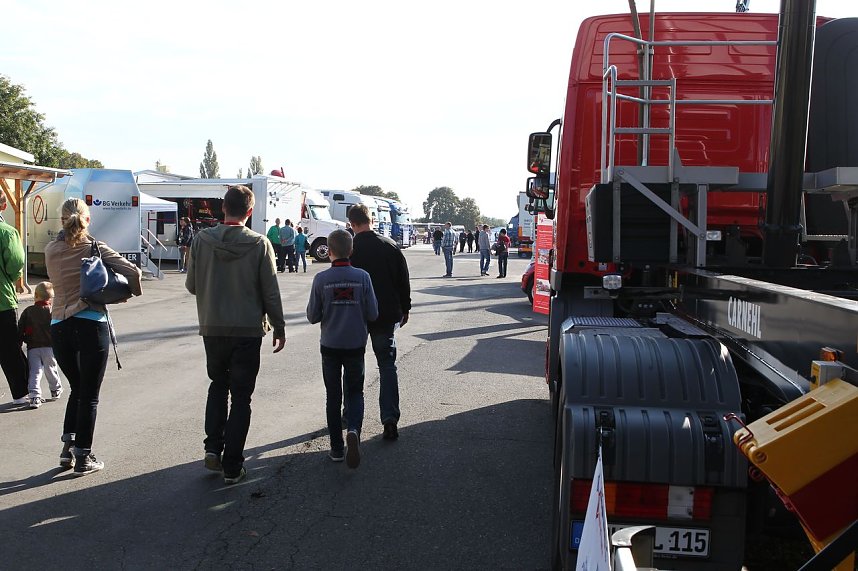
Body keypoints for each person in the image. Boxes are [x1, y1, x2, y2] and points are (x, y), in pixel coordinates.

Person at [186, 185, 286, 485]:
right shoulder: (259, 244)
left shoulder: (201, 240)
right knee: (241, 396)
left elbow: (191, 285)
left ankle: (213, 449)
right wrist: (279, 326)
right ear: (250, 211)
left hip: (212, 326)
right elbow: (270, 290)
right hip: (247, 329)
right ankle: (233, 465)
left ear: (222, 208)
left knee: (218, 385)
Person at [46, 197, 143, 476]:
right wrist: (130, 292)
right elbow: (132, 271)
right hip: (90, 323)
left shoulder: (51, 249)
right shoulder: (95, 248)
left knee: (77, 389)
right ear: (87, 219)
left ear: (61, 220)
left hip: (59, 325)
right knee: (89, 394)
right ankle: (84, 457)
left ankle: (67, 450)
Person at [307, 229, 378, 467]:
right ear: (351, 250)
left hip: (330, 345)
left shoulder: (321, 279)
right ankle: (354, 430)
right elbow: (373, 313)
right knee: (355, 392)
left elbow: (312, 316)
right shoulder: (363, 277)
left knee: (333, 395)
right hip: (356, 344)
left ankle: (337, 449)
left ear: (329, 251)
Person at [347, 204, 411, 441]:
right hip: (385, 315)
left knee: (354, 366)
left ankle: (350, 415)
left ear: (352, 224)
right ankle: (389, 418)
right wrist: (405, 308)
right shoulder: (390, 246)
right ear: (372, 220)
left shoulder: (350, 249)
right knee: (387, 365)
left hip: (355, 316)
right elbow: (402, 281)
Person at [0, 191, 28, 406]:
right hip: (2, 301)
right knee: (10, 349)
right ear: (2, 206)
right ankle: (21, 392)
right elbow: (15, 264)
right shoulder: (7, 233)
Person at [17, 281, 62, 409]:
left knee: (35, 372)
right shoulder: (52, 311)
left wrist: (20, 341)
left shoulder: (28, 311)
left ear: (35, 295)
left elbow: (21, 328)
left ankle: (34, 396)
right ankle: (55, 389)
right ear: (50, 298)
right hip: (50, 347)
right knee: (51, 368)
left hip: (33, 347)